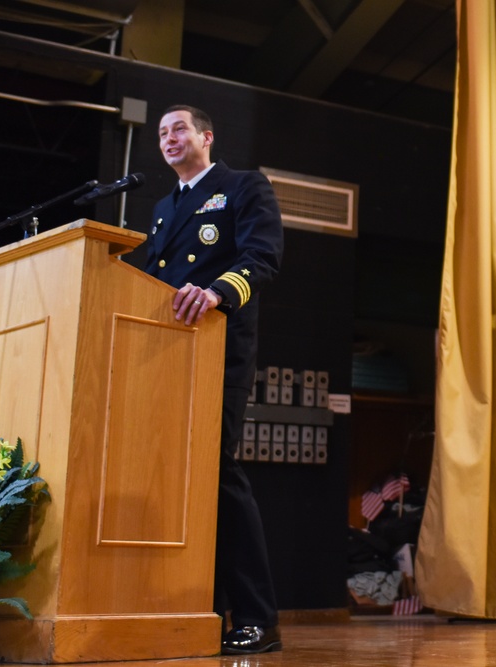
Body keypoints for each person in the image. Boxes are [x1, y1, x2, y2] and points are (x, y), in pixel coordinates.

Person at [144, 104, 284, 654]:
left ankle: (256, 616)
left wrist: (218, 292)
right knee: (174, 478)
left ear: (206, 136)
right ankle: (190, 607)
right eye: (161, 133)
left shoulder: (243, 186)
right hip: (161, 354)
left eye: (178, 128)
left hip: (217, 347)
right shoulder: (162, 207)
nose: (168, 138)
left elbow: (263, 257)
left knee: (215, 474)